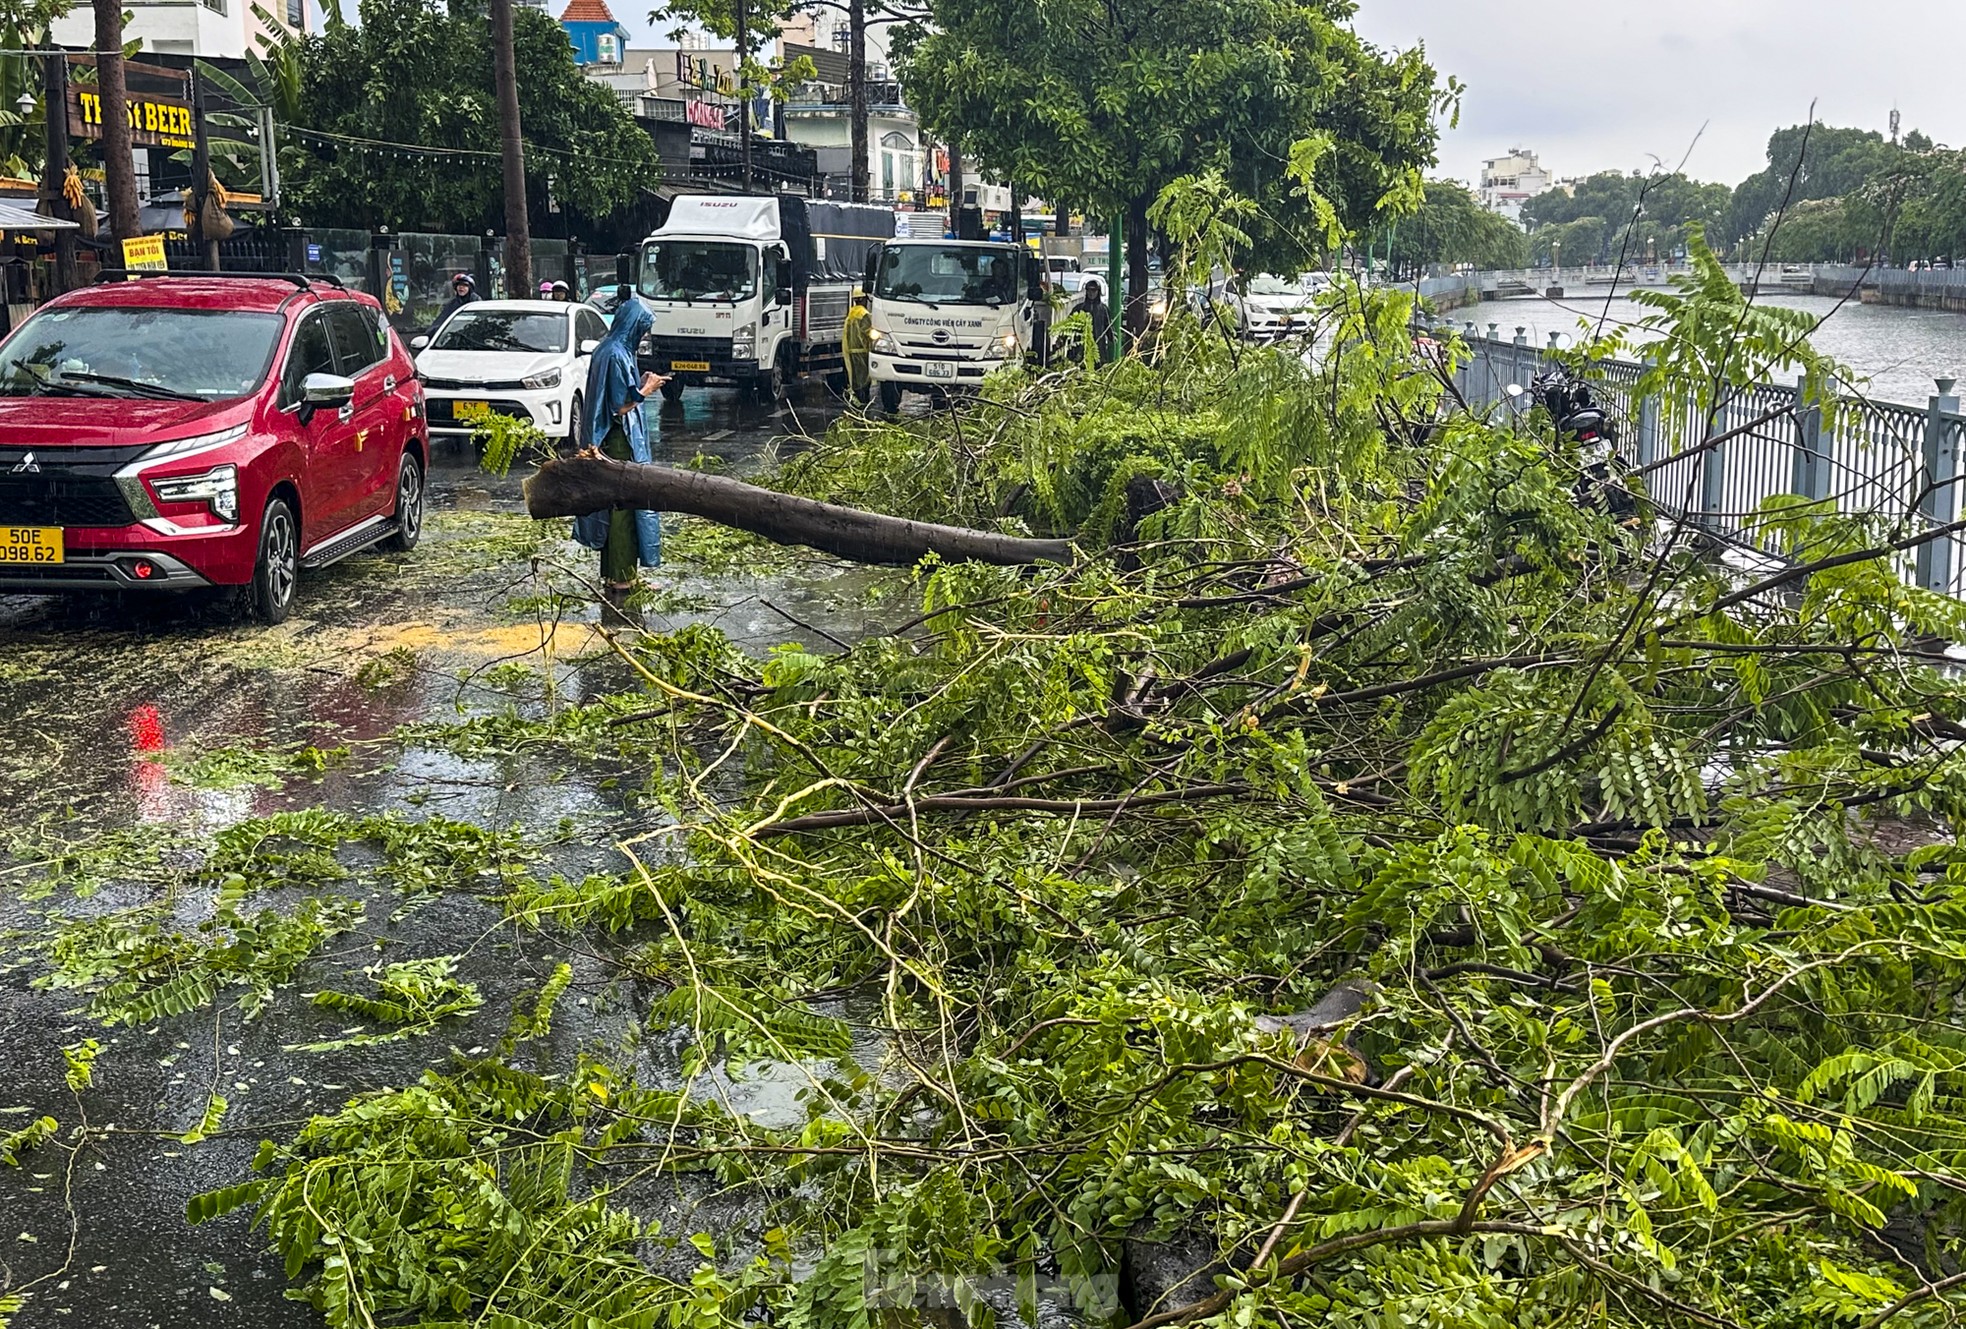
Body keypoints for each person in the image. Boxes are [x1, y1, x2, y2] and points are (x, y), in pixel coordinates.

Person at [580, 294, 667, 592]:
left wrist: (640, 381)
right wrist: (648, 388)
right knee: (624, 510)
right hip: (619, 440)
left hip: (606, 439)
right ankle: (623, 578)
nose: (642, 335)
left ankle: (615, 573)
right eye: (642, 329)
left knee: (613, 507)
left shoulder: (609, 349)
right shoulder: (617, 354)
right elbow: (621, 405)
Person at [842, 286, 872, 403]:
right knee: (864, 381)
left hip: (851, 352)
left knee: (855, 380)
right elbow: (869, 332)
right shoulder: (864, 314)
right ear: (865, 299)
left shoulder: (851, 314)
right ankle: (864, 402)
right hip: (863, 352)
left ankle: (859, 401)